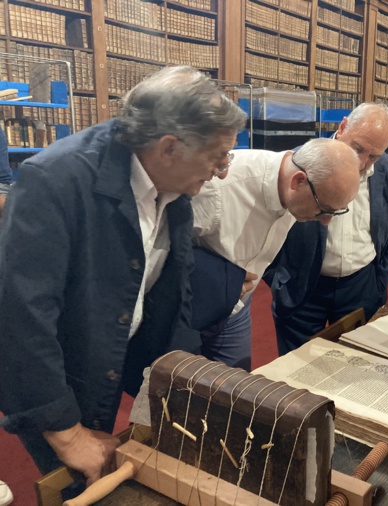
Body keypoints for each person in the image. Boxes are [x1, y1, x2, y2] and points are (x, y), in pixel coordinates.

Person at [0, 65, 247, 486]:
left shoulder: (175, 182)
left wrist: (184, 385)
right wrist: (66, 432)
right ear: (169, 147)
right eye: (218, 155)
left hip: (116, 355)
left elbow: (174, 294)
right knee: (83, 482)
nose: (223, 169)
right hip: (59, 374)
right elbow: (19, 317)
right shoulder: (56, 180)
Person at [190, 137, 361, 369]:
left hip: (237, 311)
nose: (326, 222)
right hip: (192, 312)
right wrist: (222, 283)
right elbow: (163, 255)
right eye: (324, 210)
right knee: (177, 385)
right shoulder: (217, 189)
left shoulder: (296, 183)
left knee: (235, 387)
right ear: (298, 181)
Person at [266, 102, 388, 355]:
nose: (362, 162)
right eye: (358, 148)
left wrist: (379, 281)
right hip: (303, 288)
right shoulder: (299, 161)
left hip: (362, 286)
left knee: (359, 365)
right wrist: (280, 279)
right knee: (297, 368)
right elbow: (267, 228)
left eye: (374, 156)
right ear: (342, 127)